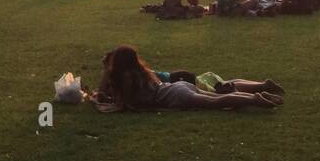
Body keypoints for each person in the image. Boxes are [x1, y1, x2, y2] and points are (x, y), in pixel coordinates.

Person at [93, 46, 282, 111]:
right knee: (216, 98)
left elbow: (126, 104)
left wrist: (107, 75)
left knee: (216, 102)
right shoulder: (141, 72)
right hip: (177, 87)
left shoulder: (126, 78)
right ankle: (256, 95)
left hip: (176, 95)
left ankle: (255, 99)